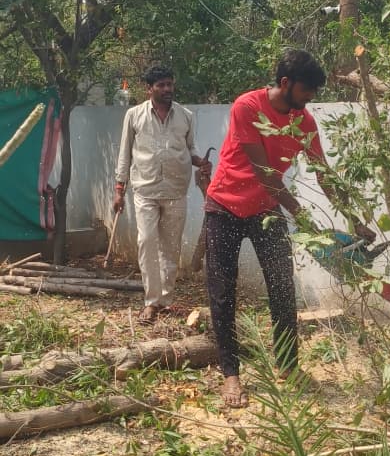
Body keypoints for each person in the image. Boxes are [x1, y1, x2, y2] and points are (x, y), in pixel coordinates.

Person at [205, 49, 374, 406]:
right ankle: (231, 375)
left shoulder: (304, 121)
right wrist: (302, 214)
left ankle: (288, 366)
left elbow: (324, 174)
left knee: (283, 289)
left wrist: (354, 218)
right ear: (286, 83)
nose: (311, 97)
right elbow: (265, 173)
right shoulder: (247, 107)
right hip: (225, 206)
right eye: (307, 89)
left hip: (267, 211)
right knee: (223, 293)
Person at [114, 64, 211, 324]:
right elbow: (124, 154)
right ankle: (151, 302)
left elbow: (190, 149)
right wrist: (119, 189)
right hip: (144, 189)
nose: (167, 89)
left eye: (170, 84)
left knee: (170, 247)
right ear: (149, 89)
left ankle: (165, 301)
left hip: (176, 189)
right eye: (161, 85)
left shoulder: (186, 116)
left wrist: (201, 161)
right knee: (146, 242)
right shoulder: (134, 116)